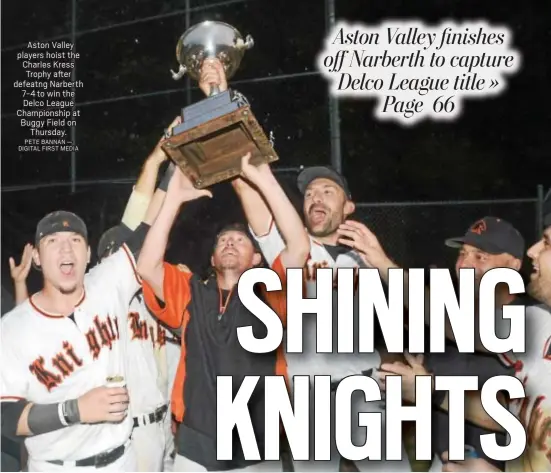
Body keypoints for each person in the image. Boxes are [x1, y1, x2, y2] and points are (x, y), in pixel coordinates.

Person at [0, 147, 171, 470]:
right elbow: (5, 417)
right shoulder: (11, 328)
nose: (66, 247)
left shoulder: (106, 286)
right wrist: (74, 410)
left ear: (89, 252)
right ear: (36, 257)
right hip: (57, 465)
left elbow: (143, 229)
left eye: (75, 240)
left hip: (124, 457)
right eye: (53, 241)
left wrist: (173, 170)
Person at [137, 154, 308, 472]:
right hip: (195, 445)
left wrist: (265, 179)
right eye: (223, 241)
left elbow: (298, 246)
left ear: (257, 259)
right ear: (213, 259)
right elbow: (147, 265)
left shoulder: (271, 294)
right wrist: (172, 200)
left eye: (241, 240)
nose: (230, 243)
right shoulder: (190, 293)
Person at [378, 208, 551, 472]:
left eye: (480, 256)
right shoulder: (536, 324)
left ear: (513, 266)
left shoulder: (529, 324)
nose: (465, 265)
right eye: (462, 254)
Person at [95, 119, 181, 472]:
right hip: (132, 432)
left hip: (164, 425)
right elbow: (141, 215)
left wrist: (171, 167)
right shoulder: (99, 295)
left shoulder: (147, 292)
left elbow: (147, 221)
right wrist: (156, 166)